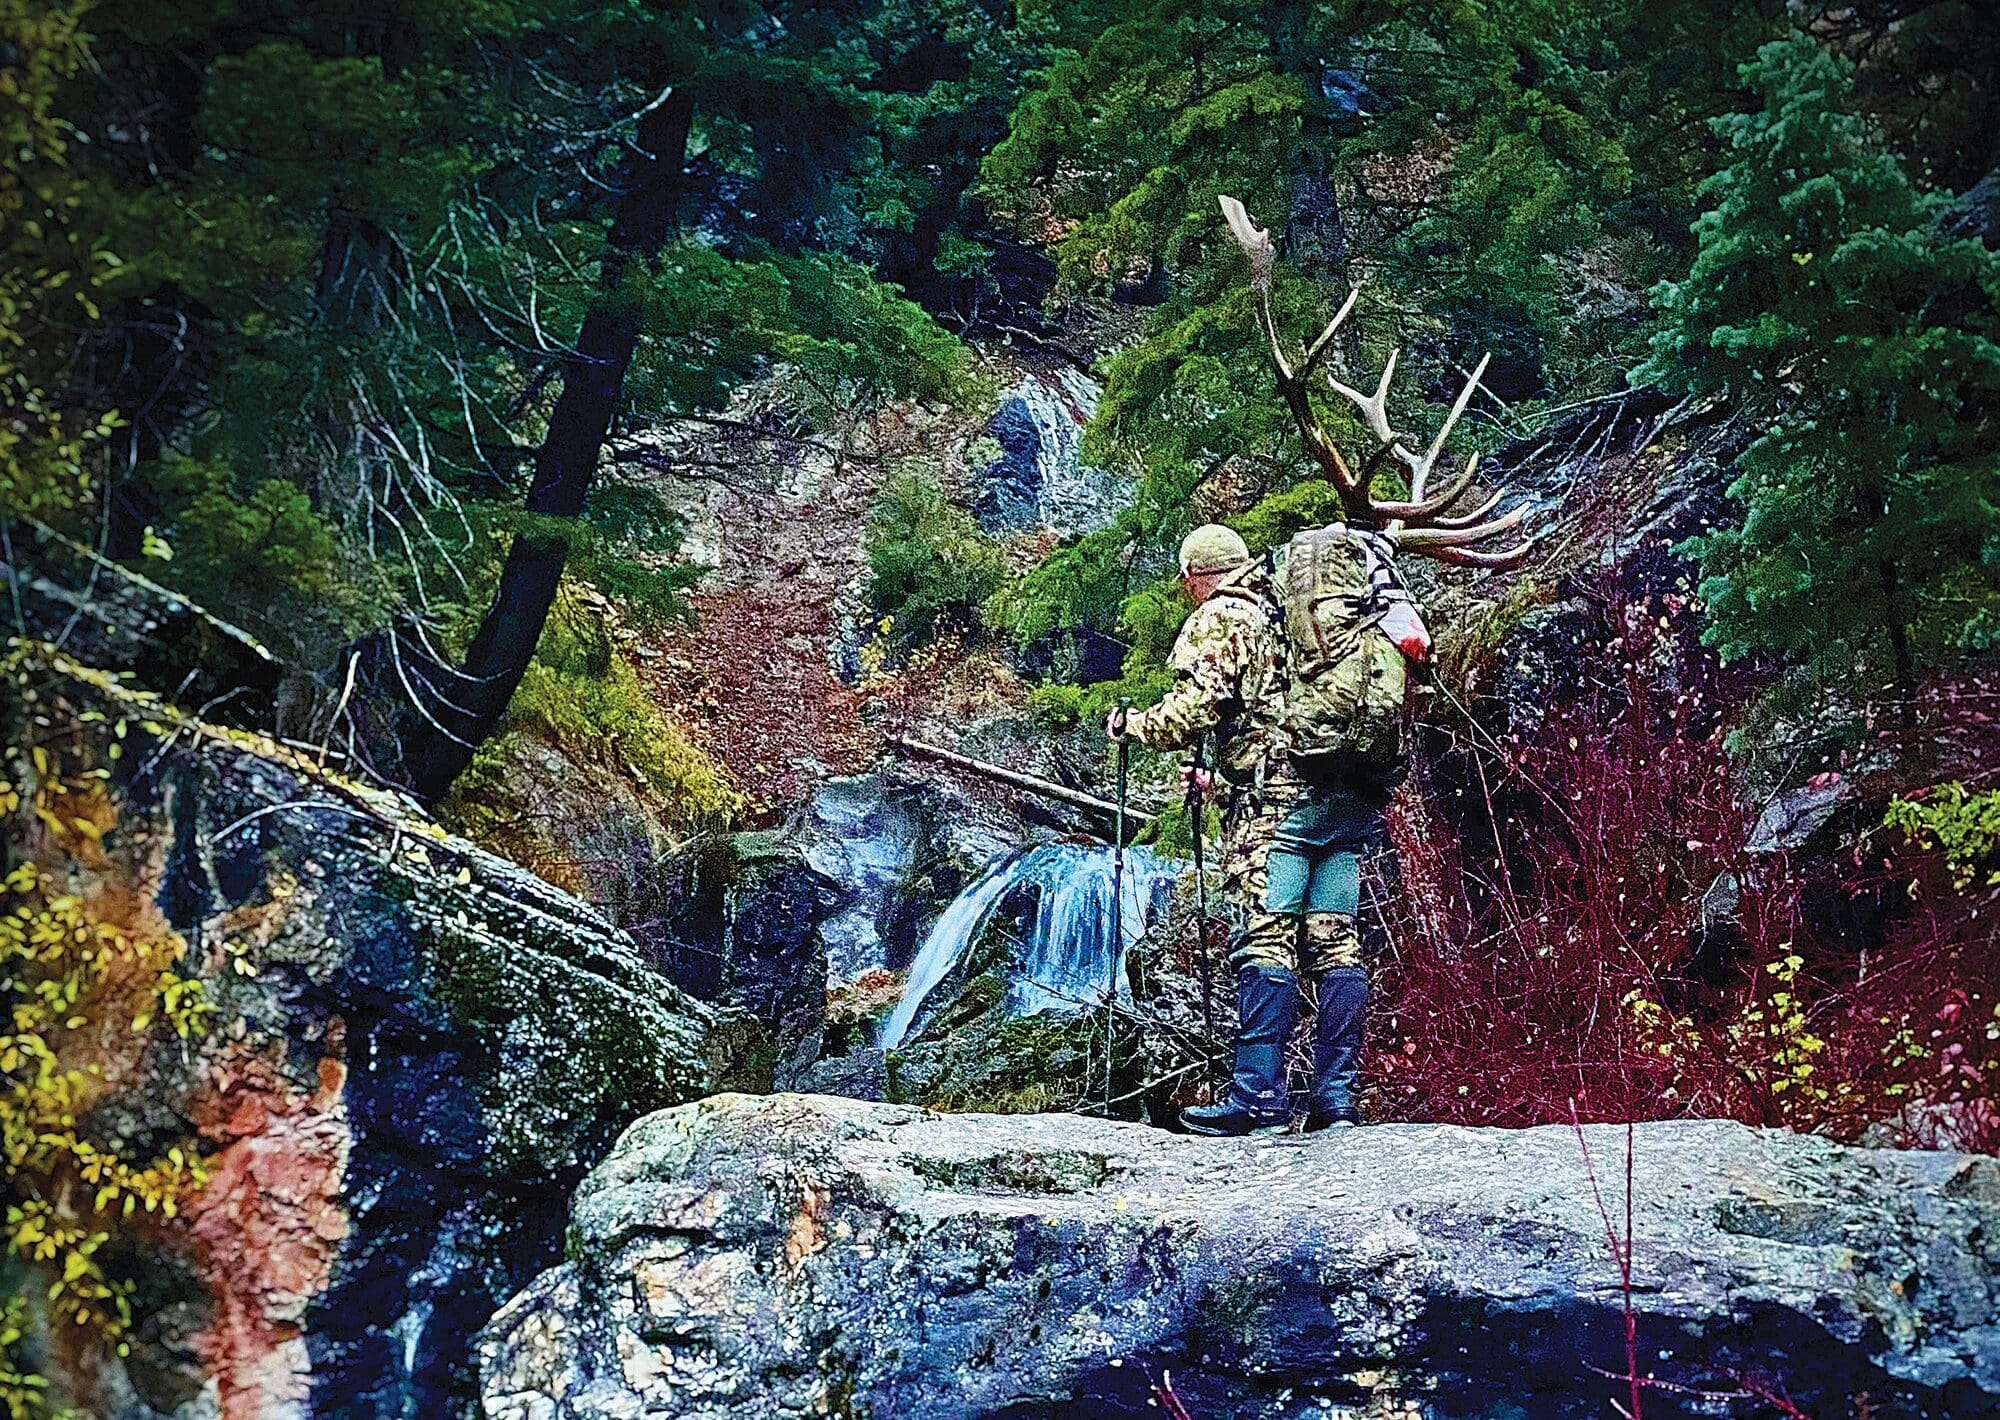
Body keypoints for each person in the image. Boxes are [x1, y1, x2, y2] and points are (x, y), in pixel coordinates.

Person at [1108, 524, 1384, 1135]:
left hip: (1279, 811)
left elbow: (1195, 709)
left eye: (1185, 581)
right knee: (1335, 941)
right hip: (1341, 796)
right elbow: (1282, 715)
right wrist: (1222, 783)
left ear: (1194, 576)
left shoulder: (1224, 615)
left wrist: (1132, 724)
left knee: (1266, 939)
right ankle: (1335, 1096)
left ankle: (1257, 1097)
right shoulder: (1296, 612)